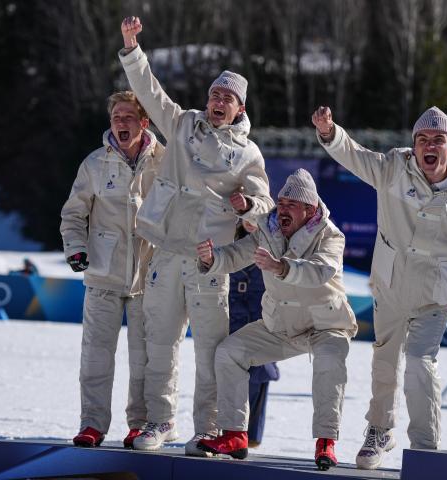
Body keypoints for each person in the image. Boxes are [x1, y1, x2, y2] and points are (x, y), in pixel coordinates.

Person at [312, 105, 447, 469]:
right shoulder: (393, 169)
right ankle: (380, 430)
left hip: (435, 295)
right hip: (390, 285)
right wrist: (330, 133)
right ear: (414, 146)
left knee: (420, 362)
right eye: (422, 140)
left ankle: (424, 447)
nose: (429, 146)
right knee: (384, 362)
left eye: (438, 140)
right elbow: (355, 156)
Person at [119, 17, 274, 453]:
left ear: (240, 108)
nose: (217, 101)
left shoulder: (248, 153)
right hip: (167, 250)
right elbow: (151, 91)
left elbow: (265, 205)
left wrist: (246, 207)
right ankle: (158, 421)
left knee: (209, 350)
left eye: (227, 97)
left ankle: (207, 429)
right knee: (159, 344)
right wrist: (133, 50)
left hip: (209, 260)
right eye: (214, 94)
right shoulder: (184, 124)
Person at [196, 169, 357, 471]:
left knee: (329, 363)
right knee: (230, 353)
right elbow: (238, 253)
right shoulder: (267, 229)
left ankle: (326, 441)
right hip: (281, 325)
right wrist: (212, 259)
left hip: (326, 325)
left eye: (291, 204)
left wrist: (280, 267)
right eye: (280, 202)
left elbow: (321, 271)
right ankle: (234, 434)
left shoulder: (331, 235)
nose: (282, 209)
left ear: (309, 210)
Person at [60, 90, 164, 449]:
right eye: (116, 118)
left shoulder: (163, 161)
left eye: (128, 118)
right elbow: (73, 214)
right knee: (96, 355)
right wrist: (76, 248)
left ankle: (139, 425)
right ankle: (92, 424)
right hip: (103, 276)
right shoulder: (94, 164)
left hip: (149, 278)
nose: (121, 123)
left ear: (144, 122)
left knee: (144, 360)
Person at [228, 220, 280, 448]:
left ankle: (252, 433)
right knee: (227, 370)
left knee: (260, 372)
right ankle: (227, 429)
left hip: (262, 314)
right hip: (232, 312)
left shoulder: (275, 238)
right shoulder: (225, 234)